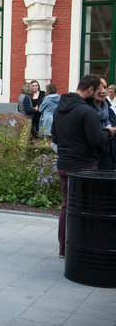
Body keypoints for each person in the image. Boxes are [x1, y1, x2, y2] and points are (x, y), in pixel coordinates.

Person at [52, 74, 116, 259]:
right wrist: (107, 132)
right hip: (84, 168)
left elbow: (55, 137)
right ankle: (81, 247)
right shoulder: (87, 112)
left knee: (66, 206)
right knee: (85, 209)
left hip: (64, 164)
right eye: (97, 91)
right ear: (90, 90)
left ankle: (64, 248)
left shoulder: (59, 109)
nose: (100, 94)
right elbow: (96, 141)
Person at [91, 76, 116, 170]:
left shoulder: (110, 111)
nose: (103, 91)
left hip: (108, 163)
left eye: (105, 87)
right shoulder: (86, 111)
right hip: (91, 163)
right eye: (99, 88)